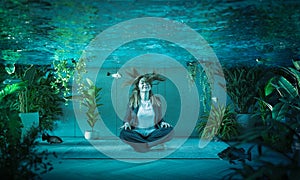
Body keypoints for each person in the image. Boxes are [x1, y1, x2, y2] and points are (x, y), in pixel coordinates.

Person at [119, 73, 174, 152]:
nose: (145, 84)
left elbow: (160, 118)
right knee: (123, 134)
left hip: (153, 132)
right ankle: (151, 144)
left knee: (170, 131)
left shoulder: (157, 100)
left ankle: (144, 146)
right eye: (142, 83)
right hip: (137, 133)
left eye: (147, 83)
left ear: (150, 86)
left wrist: (162, 123)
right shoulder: (132, 101)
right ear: (138, 86)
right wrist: (126, 123)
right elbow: (127, 117)